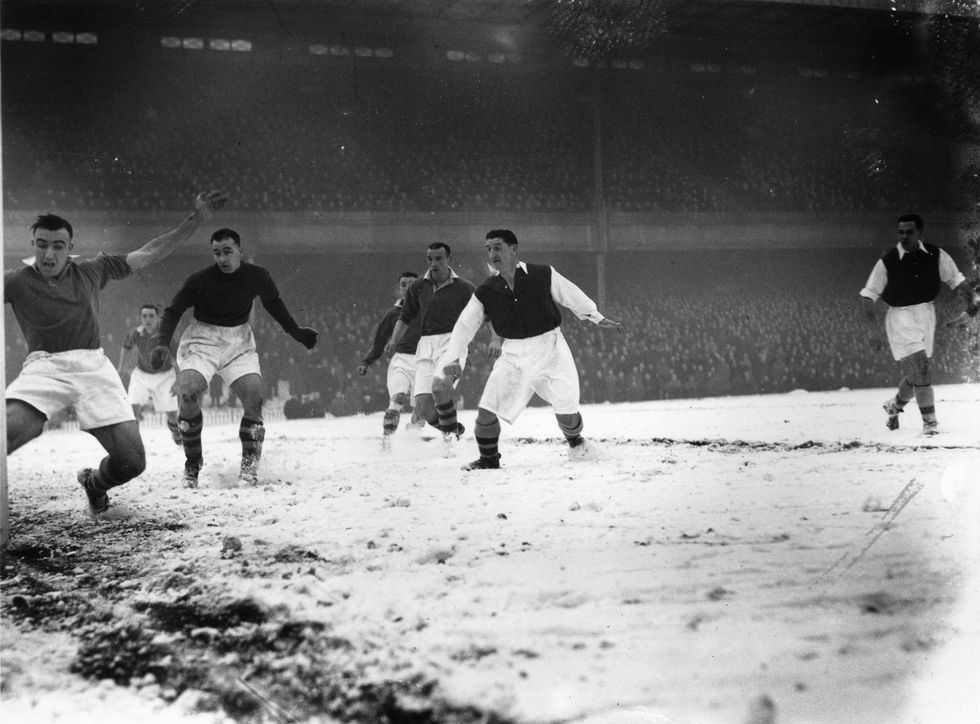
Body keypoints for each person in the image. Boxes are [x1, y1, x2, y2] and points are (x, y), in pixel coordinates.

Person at [4, 190, 228, 515]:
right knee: (9, 432)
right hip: (45, 368)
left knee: (132, 462)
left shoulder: (92, 270)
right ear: (32, 246)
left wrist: (195, 219)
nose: (48, 254)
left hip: (94, 367)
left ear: (70, 249)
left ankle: (95, 484)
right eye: (41, 245)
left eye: (57, 246)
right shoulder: (16, 281)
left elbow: (149, 253)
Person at [439, 229, 623, 470]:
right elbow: (464, 325)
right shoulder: (486, 290)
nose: (492, 253)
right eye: (488, 249)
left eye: (498, 247)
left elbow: (570, 295)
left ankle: (576, 442)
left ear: (514, 249)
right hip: (513, 354)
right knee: (486, 412)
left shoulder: (542, 273)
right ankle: (488, 459)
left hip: (551, 348)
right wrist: (453, 357)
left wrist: (596, 317)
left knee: (568, 414)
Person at [150, 227, 319, 487]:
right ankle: (192, 463)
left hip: (238, 341)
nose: (222, 258)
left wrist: (295, 332)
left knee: (255, 396)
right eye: (216, 253)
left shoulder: (258, 276)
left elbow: (273, 304)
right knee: (187, 393)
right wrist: (162, 343)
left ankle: (249, 468)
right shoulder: (200, 280)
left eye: (227, 251)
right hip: (202, 341)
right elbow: (173, 311)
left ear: (241, 251)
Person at [860, 214, 977, 435]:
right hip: (900, 317)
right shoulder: (888, 260)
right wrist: (873, 331)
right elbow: (868, 295)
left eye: (909, 232)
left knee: (917, 375)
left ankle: (894, 406)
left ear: (920, 233)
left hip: (927, 314)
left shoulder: (936, 254)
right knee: (922, 368)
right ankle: (930, 426)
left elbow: (958, 282)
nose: (904, 236)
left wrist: (970, 309)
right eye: (900, 232)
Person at [385, 243, 475, 443]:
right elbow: (405, 316)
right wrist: (394, 340)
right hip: (425, 345)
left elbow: (483, 315)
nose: (433, 263)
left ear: (448, 259)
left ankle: (449, 441)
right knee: (423, 408)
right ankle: (453, 428)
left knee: (440, 389)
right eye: (430, 259)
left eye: (438, 259)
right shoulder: (418, 286)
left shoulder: (464, 287)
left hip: (452, 342)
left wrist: (492, 340)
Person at [357, 271, 422, 444]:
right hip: (401, 361)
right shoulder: (393, 314)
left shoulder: (429, 310)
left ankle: (411, 436)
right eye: (403, 284)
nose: (407, 287)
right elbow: (379, 342)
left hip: (425, 362)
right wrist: (367, 361)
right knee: (398, 398)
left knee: (422, 411)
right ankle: (386, 441)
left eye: (411, 284)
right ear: (399, 289)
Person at [118, 303, 182, 446]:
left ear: (157, 317)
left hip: (165, 376)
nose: (147, 319)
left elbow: (177, 356)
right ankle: (134, 443)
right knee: (132, 410)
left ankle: (175, 432)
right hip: (141, 375)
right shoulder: (136, 333)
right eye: (144, 316)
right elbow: (126, 347)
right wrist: (121, 368)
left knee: (172, 415)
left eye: (151, 316)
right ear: (141, 318)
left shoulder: (166, 334)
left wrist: (180, 378)